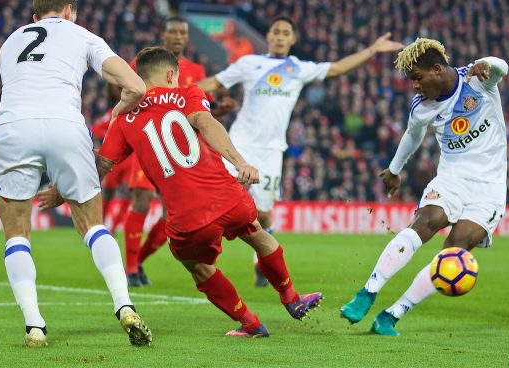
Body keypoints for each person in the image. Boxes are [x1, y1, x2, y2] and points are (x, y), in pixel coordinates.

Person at [41, 47, 323, 338]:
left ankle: (250, 323)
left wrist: (62, 193)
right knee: (259, 235)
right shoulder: (188, 93)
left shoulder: (124, 119)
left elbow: (99, 167)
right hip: (228, 196)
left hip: (187, 219)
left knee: (198, 267)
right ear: (170, 74)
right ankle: (291, 297)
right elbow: (206, 122)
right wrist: (239, 162)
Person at [0, 0, 152, 347]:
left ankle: (34, 326)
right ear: (68, 11)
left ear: (35, 17)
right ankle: (124, 305)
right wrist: (118, 109)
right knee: (93, 225)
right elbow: (137, 86)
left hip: (14, 127)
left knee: (16, 234)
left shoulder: (11, 41)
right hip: (66, 125)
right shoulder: (82, 35)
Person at [197, 16, 404, 286]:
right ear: (269, 36)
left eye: (286, 33)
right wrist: (172, 92)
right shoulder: (248, 64)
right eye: (276, 31)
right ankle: (203, 257)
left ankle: (262, 261)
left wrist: (372, 50)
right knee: (216, 196)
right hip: (238, 144)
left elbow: (338, 68)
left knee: (263, 214)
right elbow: (214, 82)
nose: (281, 36)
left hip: (271, 150)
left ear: (293, 39)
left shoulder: (298, 68)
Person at [340, 38, 508, 336]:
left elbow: (501, 67)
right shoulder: (422, 106)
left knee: (452, 253)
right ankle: (368, 291)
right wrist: (394, 169)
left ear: (436, 69)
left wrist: (488, 62)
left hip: (490, 188)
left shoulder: (477, 79)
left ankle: (392, 315)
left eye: (417, 78)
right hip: (452, 177)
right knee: (426, 221)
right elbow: (412, 134)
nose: (414, 86)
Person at [98, 16, 236, 287]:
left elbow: (201, 108)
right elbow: (123, 93)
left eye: (182, 33)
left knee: (169, 214)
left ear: (186, 37)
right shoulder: (145, 63)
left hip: (182, 149)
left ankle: (140, 260)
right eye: (172, 31)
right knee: (140, 199)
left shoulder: (195, 70)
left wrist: (221, 108)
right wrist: (116, 93)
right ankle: (132, 267)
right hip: (151, 141)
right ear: (164, 34)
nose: (177, 36)